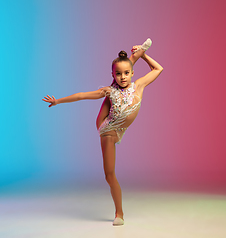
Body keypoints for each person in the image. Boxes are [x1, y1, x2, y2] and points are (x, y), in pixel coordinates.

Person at [42, 38, 163, 226]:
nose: (123, 77)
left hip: (120, 120)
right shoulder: (109, 90)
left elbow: (158, 69)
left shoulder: (138, 85)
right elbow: (82, 95)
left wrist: (144, 55)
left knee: (116, 89)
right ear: (113, 74)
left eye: (126, 73)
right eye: (118, 74)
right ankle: (119, 213)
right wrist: (58, 100)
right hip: (108, 128)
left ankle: (136, 55)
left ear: (132, 73)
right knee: (109, 175)